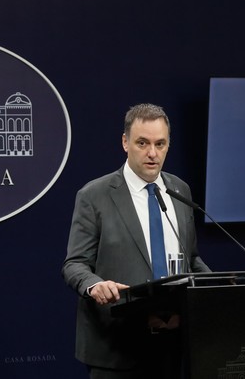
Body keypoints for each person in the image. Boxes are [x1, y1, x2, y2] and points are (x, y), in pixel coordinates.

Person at [62, 103, 211, 379]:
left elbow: (190, 258)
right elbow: (75, 264)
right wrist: (94, 285)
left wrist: (215, 287)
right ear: (125, 142)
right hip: (116, 346)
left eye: (160, 144)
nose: (152, 153)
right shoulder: (94, 195)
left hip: (172, 343)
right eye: (142, 143)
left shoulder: (179, 190)